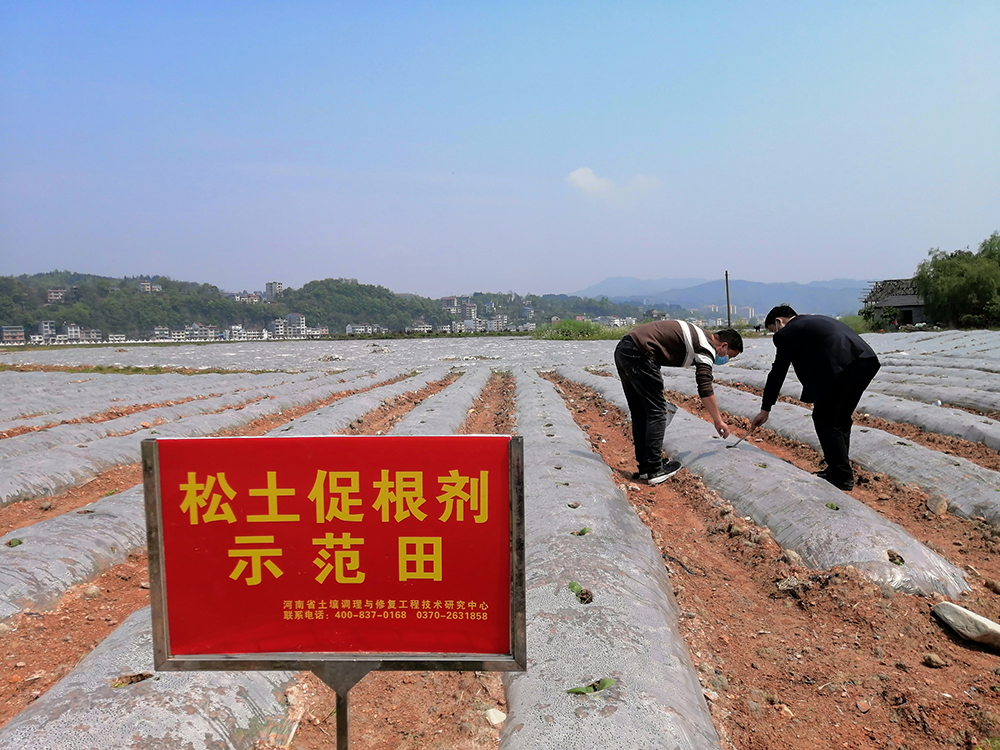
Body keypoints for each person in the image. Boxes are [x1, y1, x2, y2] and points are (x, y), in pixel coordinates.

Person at [750, 305, 880, 491]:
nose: (775, 335)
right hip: (866, 361)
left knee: (825, 418)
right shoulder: (812, 321)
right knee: (840, 419)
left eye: (773, 330)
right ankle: (838, 469)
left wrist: (766, 408)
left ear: (778, 322)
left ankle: (841, 475)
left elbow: (778, 371)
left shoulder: (787, 332)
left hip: (844, 365)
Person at [615, 320, 743, 484]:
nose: (725, 359)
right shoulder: (707, 348)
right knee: (657, 412)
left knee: (641, 412)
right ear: (723, 346)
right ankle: (654, 470)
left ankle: (646, 467)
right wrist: (718, 420)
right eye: (729, 355)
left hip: (625, 349)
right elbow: (705, 388)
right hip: (641, 353)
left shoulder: (701, 334)